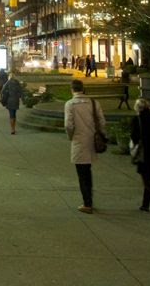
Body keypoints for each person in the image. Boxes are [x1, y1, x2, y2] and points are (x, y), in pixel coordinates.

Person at [64, 79, 106, 213]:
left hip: (79, 140)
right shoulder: (93, 103)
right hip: (92, 140)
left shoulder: (70, 104)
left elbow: (68, 125)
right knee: (87, 171)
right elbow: (101, 121)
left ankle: (87, 203)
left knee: (82, 173)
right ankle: (89, 200)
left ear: (72, 90)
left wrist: (71, 136)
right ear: (83, 89)